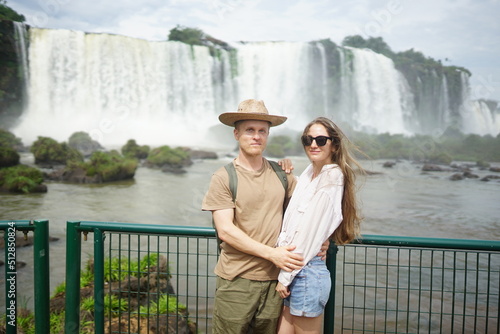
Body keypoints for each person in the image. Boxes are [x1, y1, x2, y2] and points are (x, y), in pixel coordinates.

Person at [202, 99, 304, 334]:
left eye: (262, 131)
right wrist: (272, 254)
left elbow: (306, 212)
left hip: (275, 283)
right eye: (250, 130)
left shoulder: (282, 175)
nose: (256, 136)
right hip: (237, 281)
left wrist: (325, 241)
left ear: (267, 136)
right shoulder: (224, 177)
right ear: (236, 134)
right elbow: (226, 230)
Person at [275, 116, 364, 334]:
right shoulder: (310, 173)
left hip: (305, 272)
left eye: (321, 140)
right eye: (308, 140)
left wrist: (284, 278)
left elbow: (308, 233)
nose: (314, 144)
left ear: (334, 145)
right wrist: (283, 167)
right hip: (297, 270)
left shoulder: (331, 177)